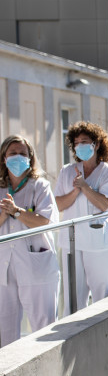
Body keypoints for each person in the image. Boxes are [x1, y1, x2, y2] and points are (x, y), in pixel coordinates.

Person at [0, 135, 60, 347]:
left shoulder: (40, 186)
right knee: (4, 334)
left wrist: (16, 212)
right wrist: (5, 214)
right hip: (4, 269)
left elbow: (45, 221)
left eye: (22, 154)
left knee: (43, 328)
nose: (18, 158)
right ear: (3, 158)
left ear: (30, 158)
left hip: (37, 266)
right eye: (13, 153)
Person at [55, 121, 108, 314]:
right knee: (73, 299)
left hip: (99, 241)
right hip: (71, 241)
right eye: (76, 142)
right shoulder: (67, 171)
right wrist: (76, 190)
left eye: (84, 141)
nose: (79, 146)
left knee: (101, 296)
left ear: (96, 144)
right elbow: (60, 204)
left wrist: (84, 186)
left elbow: (104, 204)